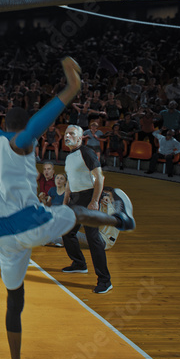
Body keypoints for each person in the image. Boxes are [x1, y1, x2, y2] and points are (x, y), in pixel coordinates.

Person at [0, 58, 134, 359]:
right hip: (28, 221)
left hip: (2, 233)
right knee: (74, 211)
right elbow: (39, 122)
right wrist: (71, 88)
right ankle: (119, 221)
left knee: (14, 299)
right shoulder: (19, 141)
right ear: (22, 131)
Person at [62, 124, 116, 293]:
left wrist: (94, 201)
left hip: (88, 198)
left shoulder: (86, 152)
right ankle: (79, 263)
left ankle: (105, 281)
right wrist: (65, 202)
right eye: (66, 133)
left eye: (72, 134)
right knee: (67, 232)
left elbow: (100, 178)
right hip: (75, 198)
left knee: (93, 240)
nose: (67, 136)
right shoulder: (69, 156)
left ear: (80, 138)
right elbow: (70, 181)